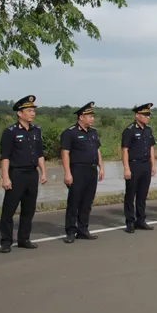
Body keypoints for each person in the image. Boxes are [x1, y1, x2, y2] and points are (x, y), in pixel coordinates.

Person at [0, 95, 47, 253]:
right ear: (20, 113)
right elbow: (5, 157)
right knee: (9, 210)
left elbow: (40, 154)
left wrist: (43, 172)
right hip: (16, 174)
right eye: (29, 110)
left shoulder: (36, 130)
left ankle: (24, 239)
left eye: (33, 110)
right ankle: (6, 241)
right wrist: (5, 177)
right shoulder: (10, 132)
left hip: (32, 174)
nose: (33, 113)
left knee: (29, 209)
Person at [61, 102, 103, 244]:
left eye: (92, 116)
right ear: (81, 117)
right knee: (74, 201)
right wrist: (67, 173)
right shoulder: (70, 132)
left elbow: (97, 151)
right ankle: (71, 231)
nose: (92, 119)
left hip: (91, 170)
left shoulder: (93, 132)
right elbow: (65, 153)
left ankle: (83, 229)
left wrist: (101, 167)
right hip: (77, 170)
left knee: (87, 202)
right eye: (89, 116)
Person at [121, 102, 157, 233]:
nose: (148, 117)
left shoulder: (148, 130)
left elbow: (151, 148)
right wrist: (126, 168)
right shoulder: (129, 130)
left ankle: (141, 220)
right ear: (137, 115)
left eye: (148, 114)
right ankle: (130, 222)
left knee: (142, 195)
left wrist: (153, 164)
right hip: (134, 164)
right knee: (131, 194)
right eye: (145, 114)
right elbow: (125, 150)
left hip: (145, 165)